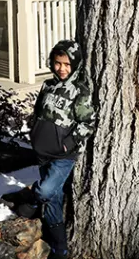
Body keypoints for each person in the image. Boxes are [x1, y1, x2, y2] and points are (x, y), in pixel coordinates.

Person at [27, 39, 96, 259]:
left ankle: (30, 201)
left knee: (45, 191)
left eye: (67, 64)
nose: (62, 68)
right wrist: (35, 132)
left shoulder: (79, 91)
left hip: (64, 155)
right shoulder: (47, 85)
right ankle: (59, 247)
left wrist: (68, 142)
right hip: (42, 153)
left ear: (75, 65)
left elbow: (88, 123)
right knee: (53, 199)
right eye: (57, 63)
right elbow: (38, 112)